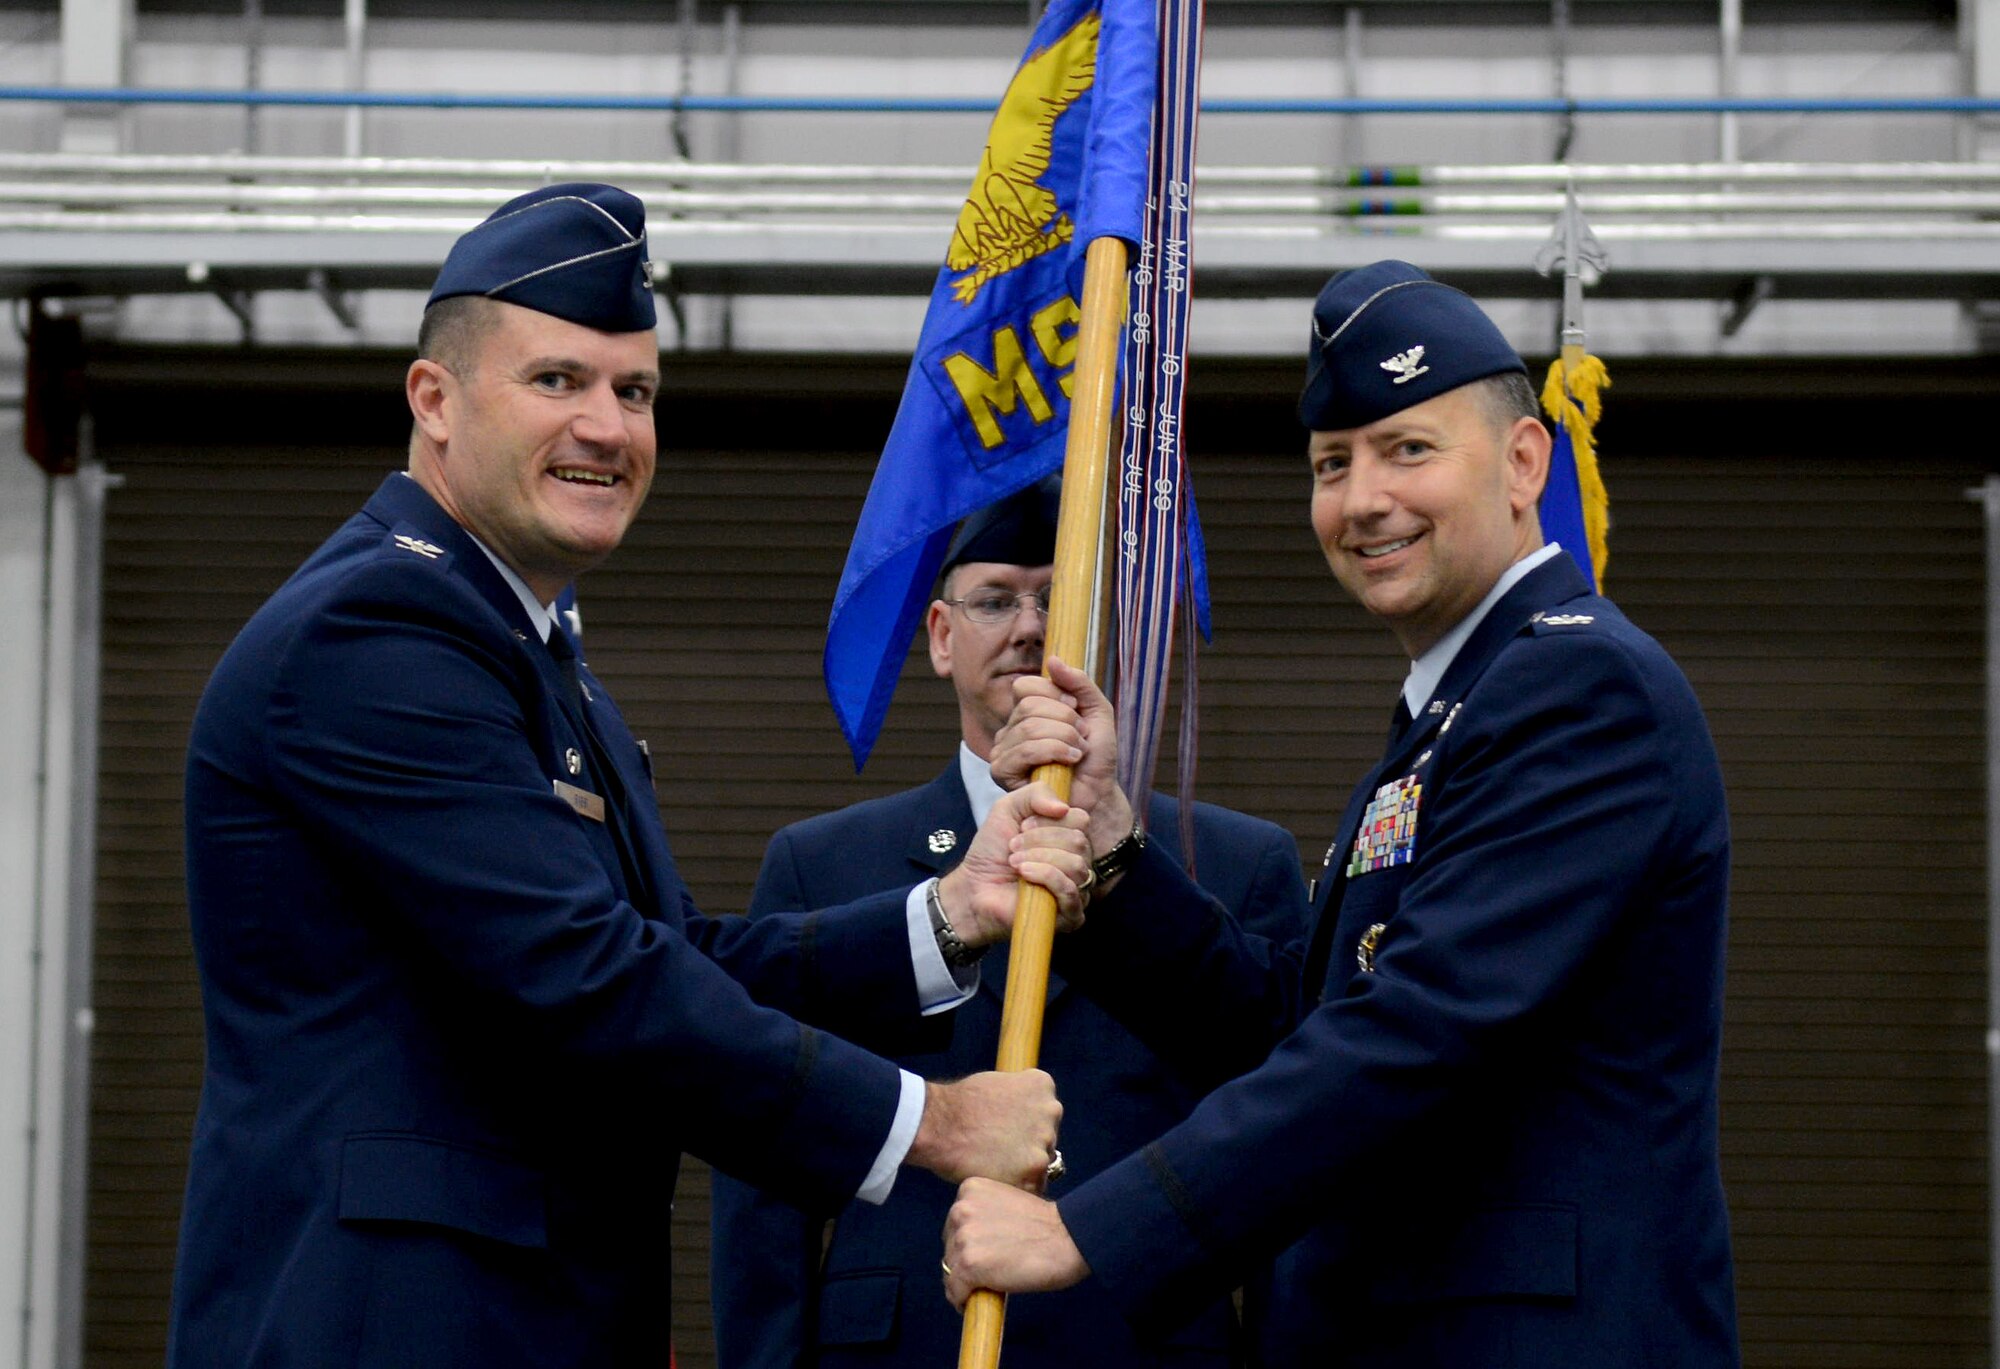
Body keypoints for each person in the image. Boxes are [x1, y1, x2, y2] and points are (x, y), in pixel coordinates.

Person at [167, 183, 1097, 1368]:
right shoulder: (375, 634)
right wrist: (935, 1121)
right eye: (557, 381)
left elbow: (656, 956)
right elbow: (591, 980)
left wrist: (947, 913)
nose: (607, 427)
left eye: (635, 390)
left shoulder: (525, 647)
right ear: (434, 400)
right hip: (393, 1323)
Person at [943, 260, 1740, 1366]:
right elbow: (1300, 1025)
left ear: (1521, 463)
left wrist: (1088, 1226)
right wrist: (1113, 848)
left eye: (1407, 449)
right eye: (1331, 463)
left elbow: (1411, 1032)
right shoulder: (1457, 707)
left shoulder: (1578, 690)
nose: (1362, 498)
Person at [709, 479, 1310, 1369]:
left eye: (1059, 600)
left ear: (1101, 635)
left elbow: (1286, 1158)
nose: (1030, 627)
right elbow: (765, 1170)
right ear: (942, 639)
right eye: (996, 599)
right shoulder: (823, 864)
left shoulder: (1231, 862)